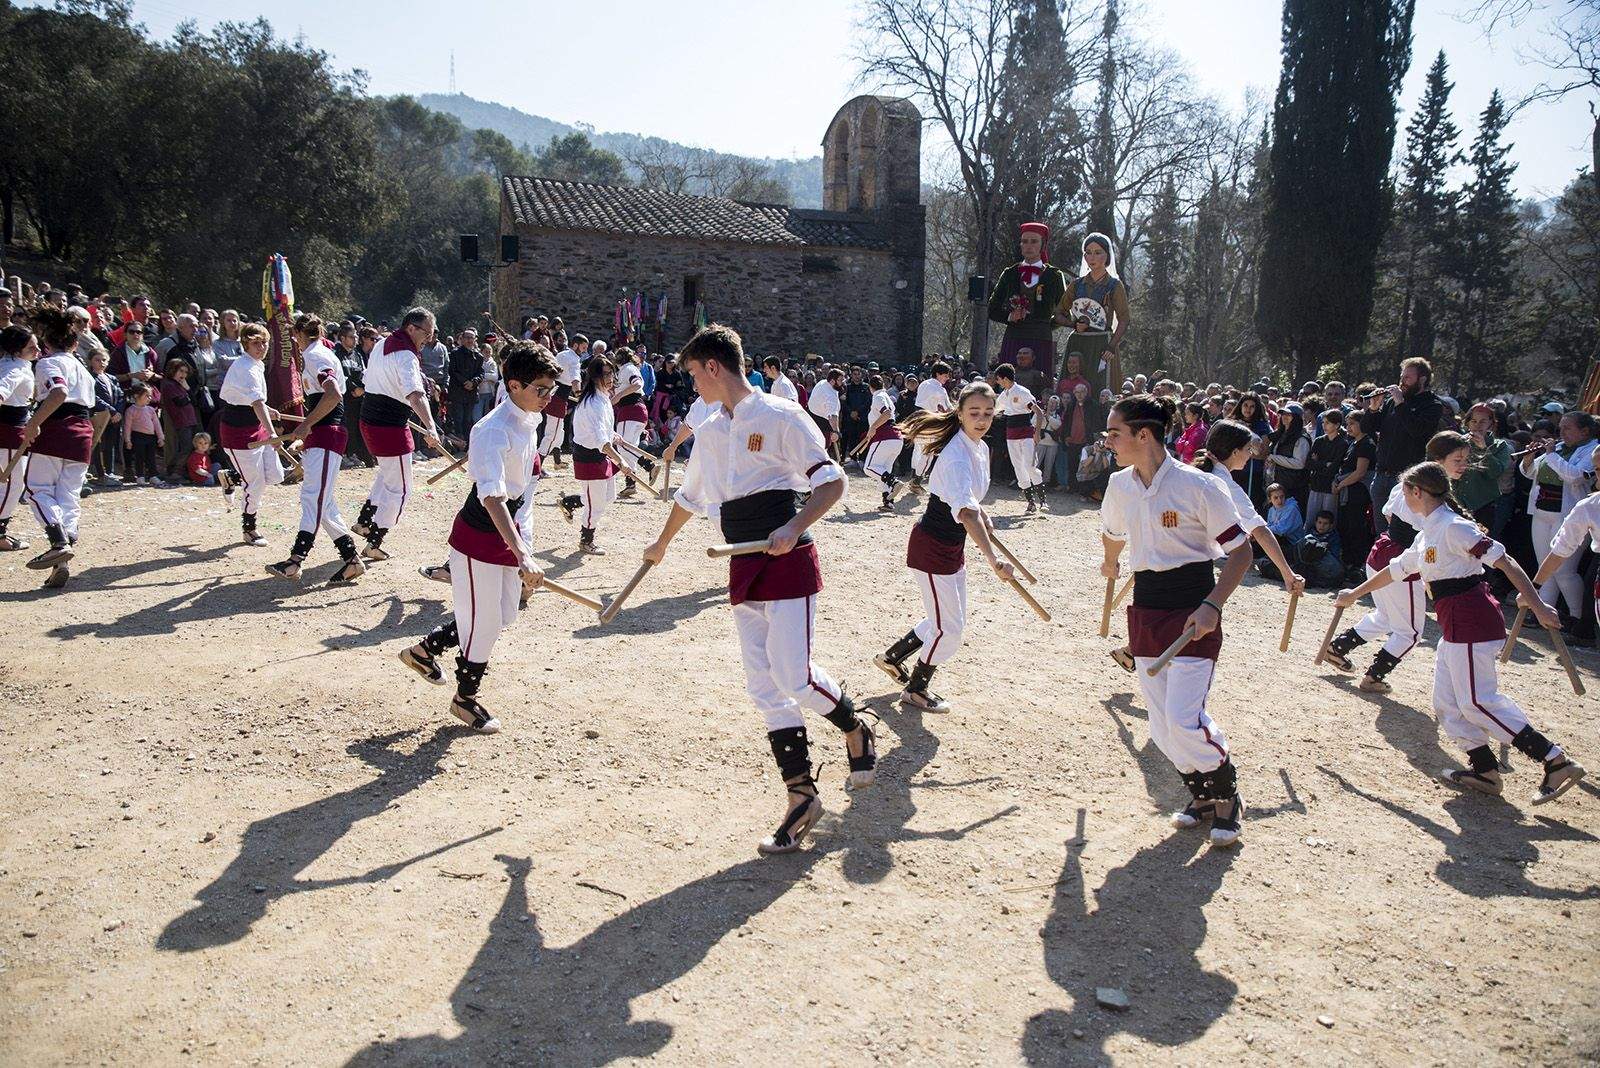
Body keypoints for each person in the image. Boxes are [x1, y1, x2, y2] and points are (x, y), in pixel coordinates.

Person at [641, 324, 873, 855]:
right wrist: (660, 543)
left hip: (787, 559)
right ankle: (801, 796)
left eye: (695, 374)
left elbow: (832, 481)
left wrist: (793, 527)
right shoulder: (708, 429)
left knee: (794, 675)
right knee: (763, 685)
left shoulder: (781, 416)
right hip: (742, 561)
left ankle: (855, 726)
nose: (693, 384)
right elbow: (692, 496)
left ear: (714, 367)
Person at [1334, 462, 1586, 806]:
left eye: (1405, 492)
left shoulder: (1454, 527)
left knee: (1478, 701)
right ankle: (1485, 770)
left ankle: (1554, 760)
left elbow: (1505, 561)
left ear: (1417, 492)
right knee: (1447, 703)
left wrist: (1538, 605)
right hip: (1455, 625)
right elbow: (1396, 570)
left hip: (1473, 621)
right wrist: (1354, 594)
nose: (1402, 499)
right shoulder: (1428, 532)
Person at [1099, 394, 1254, 847]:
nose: (1108, 442)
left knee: (1185, 720)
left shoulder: (1199, 486)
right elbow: (1113, 532)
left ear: (1143, 434)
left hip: (1193, 610)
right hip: (1145, 610)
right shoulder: (1119, 485)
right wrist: (1110, 560)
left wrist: (1212, 606)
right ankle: (1202, 796)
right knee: (1163, 729)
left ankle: (1227, 795)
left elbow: (1241, 552)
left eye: (1115, 433)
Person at [399, 343, 560, 733]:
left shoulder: (530, 418)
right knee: (485, 622)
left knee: (503, 614)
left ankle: (424, 650)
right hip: (478, 535)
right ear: (514, 385)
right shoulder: (491, 430)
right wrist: (522, 553)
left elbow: (518, 490)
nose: (547, 397)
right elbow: (492, 497)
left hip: (508, 527)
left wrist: (521, 542)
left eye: (550, 390)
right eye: (541, 389)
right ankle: (464, 700)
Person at [876, 380, 1017, 709]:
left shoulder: (979, 448)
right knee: (949, 628)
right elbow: (965, 512)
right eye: (974, 412)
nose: (981, 419)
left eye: (987, 413)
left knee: (948, 620)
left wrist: (983, 513)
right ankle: (915, 689)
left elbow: (968, 500)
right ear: (960, 412)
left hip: (951, 548)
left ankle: (892, 657)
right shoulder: (956, 455)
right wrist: (994, 560)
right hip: (932, 548)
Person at [265, 314, 364, 585]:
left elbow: (333, 395)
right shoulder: (319, 353)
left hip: (327, 435)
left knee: (314, 498)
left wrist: (307, 424)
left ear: (298, 334)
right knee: (324, 502)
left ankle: (295, 560)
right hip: (323, 435)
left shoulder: (314, 355)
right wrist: (308, 429)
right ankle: (351, 560)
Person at [352, 308, 444, 562]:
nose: (428, 339)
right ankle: (375, 541)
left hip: (371, 422)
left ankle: (365, 521)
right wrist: (431, 426)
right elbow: (415, 394)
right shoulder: (405, 355)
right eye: (426, 333)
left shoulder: (382, 344)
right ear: (411, 328)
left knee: (387, 474)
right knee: (401, 489)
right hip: (389, 428)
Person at [1520, 410, 1597, 628]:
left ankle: (1577, 619)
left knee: (1564, 571)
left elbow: (1575, 476)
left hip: (1570, 516)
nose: (1561, 432)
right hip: (1542, 512)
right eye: (1560, 427)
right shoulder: (1559, 447)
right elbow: (1530, 472)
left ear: (1584, 431)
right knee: (1545, 567)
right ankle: (1543, 613)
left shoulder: (1592, 450)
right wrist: (1528, 459)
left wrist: (1551, 454)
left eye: (1567, 428)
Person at [217, 324, 285, 547]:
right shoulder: (245, 367)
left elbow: (255, 401)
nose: (262, 347)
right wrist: (273, 433)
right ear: (246, 344)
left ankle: (232, 477)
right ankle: (249, 529)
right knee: (255, 483)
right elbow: (256, 402)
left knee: (275, 475)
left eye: (264, 343)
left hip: (256, 425)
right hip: (238, 432)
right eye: (256, 343)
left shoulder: (256, 364)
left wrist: (268, 410)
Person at [1371, 357, 1446, 533]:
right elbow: (1370, 428)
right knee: (1381, 531)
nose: (1402, 382)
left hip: (1407, 480)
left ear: (1422, 379)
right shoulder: (1392, 401)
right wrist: (1373, 409)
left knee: (1401, 532)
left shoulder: (1432, 405)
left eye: (1407, 378)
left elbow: (1417, 430)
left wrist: (1401, 404)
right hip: (1381, 475)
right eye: (1401, 377)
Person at [987, 222, 1067, 379]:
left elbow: (1064, 312)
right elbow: (992, 309)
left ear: (1043, 245)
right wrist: (1010, 317)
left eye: (1034, 241)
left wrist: (1044, 325)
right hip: (1013, 336)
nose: (1028, 246)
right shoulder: (1009, 274)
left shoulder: (1054, 276)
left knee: (1040, 383)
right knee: (1007, 382)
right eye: (1024, 241)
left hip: (1041, 339)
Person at [1057, 232, 1129, 393]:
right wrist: (1073, 324)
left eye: (1098, 252)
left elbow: (1124, 319)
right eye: (1088, 253)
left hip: (1103, 344)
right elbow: (1059, 313)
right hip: (1078, 344)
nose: (1092, 257)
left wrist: (1112, 346)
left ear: (1107, 256)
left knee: (1101, 390)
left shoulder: (1114, 285)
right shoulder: (1076, 285)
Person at [571, 356, 628, 554]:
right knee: (596, 505)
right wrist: (621, 460)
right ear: (595, 377)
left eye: (611, 373)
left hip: (600, 454)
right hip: (588, 456)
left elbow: (603, 431)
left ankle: (571, 502)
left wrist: (614, 435)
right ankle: (586, 541)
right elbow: (600, 441)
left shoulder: (603, 398)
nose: (610, 378)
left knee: (608, 496)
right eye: (606, 374)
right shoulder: (593, 403)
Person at [0, 324, 37, 552]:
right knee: (12, 485)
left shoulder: (15, 365)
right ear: (16, 349)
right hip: (9, 434)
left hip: (14, 430)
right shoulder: (14, 369)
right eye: (31, 347)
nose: (37, 350)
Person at [993, 363, 1046, 513]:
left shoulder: (1022, 392)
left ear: (1004, 378)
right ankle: (1031, 503)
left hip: (1026, 433)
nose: (998, 382)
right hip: (1011, 434)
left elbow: (1038, 412)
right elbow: (996, 410)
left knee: (1030, 465)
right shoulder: (1004, 395)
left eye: (998, 379)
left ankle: (1043, 500)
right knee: (1018, 467)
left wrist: (1037, 433)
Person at [1334, 411, 1377, 568]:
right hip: (1347, 491)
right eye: (1347, 424)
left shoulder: (1367, 443)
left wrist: (1341, 485)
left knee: (1356, 528)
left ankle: (1357, 564)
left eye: (1352, 423)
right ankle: (1347, 562)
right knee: (1345, 527)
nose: (1348, 427)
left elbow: (1360, 472)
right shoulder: (1353, 442)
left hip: (1358, 493)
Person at [858, 373, 904, 511]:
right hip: (896, 438)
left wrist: (872, 427)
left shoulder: (878, 396)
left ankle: (894, 482)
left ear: (870, 387)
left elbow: (887, 413)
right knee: (883, 470)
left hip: (885, 436)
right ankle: (888, 500)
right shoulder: (886, 396)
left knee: (869, 467)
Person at [611, 348, 653, 499]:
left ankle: (649, 465)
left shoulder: (628, 368)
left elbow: (637, 384)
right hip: (635, 411)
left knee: (622, 446)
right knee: (629, 447)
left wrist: (619, 396)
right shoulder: (625, 370)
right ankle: (631, 484)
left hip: (630, 410)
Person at [540, 332, 584, 466]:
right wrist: (580, 396)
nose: (584, 351)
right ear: (575, 345)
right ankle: (536, 465)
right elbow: (575, 380)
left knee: (558, 432)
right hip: (558, 398)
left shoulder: (561, 354)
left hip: (554, 394)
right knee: (552, 434)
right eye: (583, 347)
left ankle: (557, 462)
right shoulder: (573, 360)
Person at [909, 361, 954, 490]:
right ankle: (916, 481)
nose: (947, 378)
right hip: (929, 422)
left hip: (918, 420)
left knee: (918, 450)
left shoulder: (923, 384)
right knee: (929, 452)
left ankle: (913, 476)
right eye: (945, 375)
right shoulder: (939, 390)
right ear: (938, 374)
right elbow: (948, 409)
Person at [1306, 410, 1348, 524]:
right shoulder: (1319, 441)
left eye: (1328, 423)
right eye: (1323, 422)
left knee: (1328, 519)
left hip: (1330, 487)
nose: (1324, 425)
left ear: (1337, 425)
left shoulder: (1342, 444)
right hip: (1316, 485)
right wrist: (1325, 464)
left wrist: (1318, 463)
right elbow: (1308, 464)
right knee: (1311, 518)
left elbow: (1334, 468)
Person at [122, 384, 166, 486]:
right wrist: (128, 440)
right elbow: (127, 426)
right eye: (147, 395)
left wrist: (161, 437)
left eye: (150, 396)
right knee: (139, 457)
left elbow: (157, 424)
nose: (149, 398)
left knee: (151, 457)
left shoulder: (151, 410)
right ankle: (140, 476)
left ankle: (153, 475)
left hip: (150, 437)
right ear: (136, 396)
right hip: (137, 436)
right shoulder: (131, 410)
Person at [1297, 511, 1344, 587]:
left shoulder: (1334, 537)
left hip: (1325, 565)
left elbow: (1334, 557)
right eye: (1319, 522)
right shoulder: (1310, 533)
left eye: (1325, 524)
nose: (1322, 526)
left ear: (1331, 525)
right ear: (1315, 523)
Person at [806, 366, 843, 459]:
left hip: (810, 419)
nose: (842, 383)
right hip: (822, 424)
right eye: (839, 380)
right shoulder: (830, 395)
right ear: (832, 381)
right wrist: (836, 431)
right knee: (822, 450)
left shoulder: (822, 382)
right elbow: (832, 417)